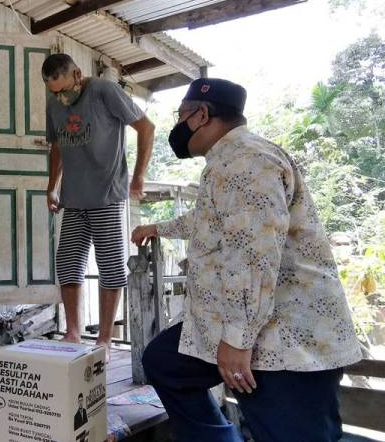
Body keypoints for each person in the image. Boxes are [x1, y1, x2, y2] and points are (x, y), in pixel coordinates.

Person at [131, 78, 362, 442]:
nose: (177, 127)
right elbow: (211, 219)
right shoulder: (229, 162)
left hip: (282, 342)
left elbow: (254, 254)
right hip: (236, 327)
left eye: (181, 117)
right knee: (165, 362)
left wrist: (237, 341)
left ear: (201, 114)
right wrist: (158, 227)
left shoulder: (247, 161)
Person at [43, 54, 155, 361]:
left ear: (78, 75)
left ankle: (104, 339)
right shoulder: (54, 104)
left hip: (107, 194)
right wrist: (53, 185)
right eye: (54, 92)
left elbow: (146, 128)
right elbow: (57, 145)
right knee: (67, 263)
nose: (60, 97)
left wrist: (139, 176)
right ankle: (73, 332)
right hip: (73, 197)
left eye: (64, 89)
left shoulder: (105, 91)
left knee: (110, 266)